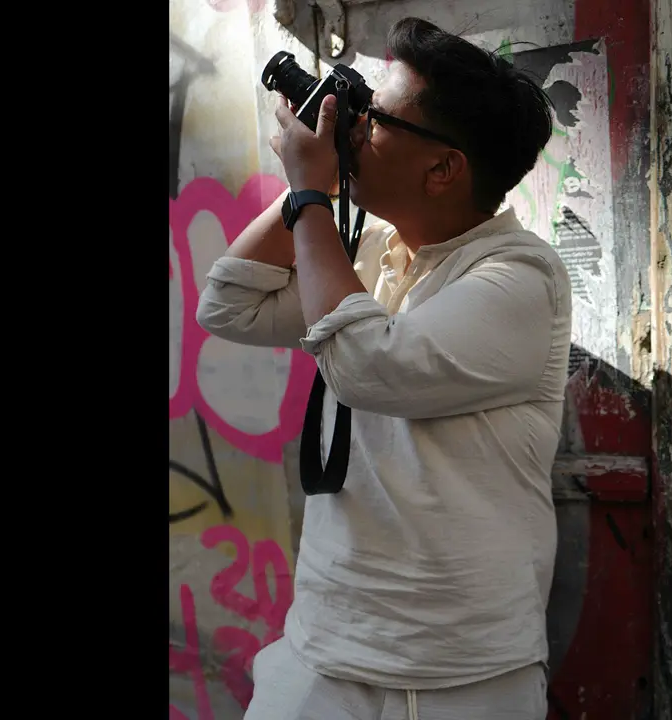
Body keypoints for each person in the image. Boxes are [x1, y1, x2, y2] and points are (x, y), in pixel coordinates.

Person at [195, 17, 570, 720]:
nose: (355, 126)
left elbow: (367, 368)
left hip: (461, 672)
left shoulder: (520, 279)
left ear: (443, 169)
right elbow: (229, 306)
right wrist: (311, 184)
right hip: (324, 646)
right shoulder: (369, 252)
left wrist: (311, 192)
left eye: (375, 118)